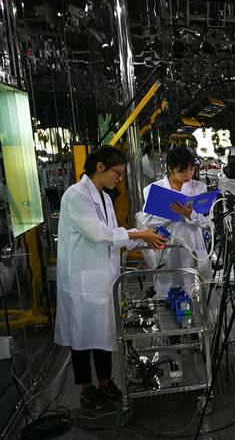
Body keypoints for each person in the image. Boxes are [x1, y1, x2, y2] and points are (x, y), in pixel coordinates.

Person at [54, 146, 166, 410]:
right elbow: (100, 234)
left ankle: (105, 382)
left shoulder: (104, 197)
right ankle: (86, 388)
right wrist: (140, 234)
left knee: (104, 333)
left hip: (103, 279)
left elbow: (114, 234)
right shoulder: (76, 195)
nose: (120, 178)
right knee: (82, 336)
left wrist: (142, 240)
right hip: (81, 280)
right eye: (118, 173)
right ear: (100, 167)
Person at [139, 145, 212, 297]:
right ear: (170, 168)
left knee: (194, 288)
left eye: (191, 169)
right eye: (182, 171)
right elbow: (147, 221)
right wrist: (173, 212)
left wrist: (189, 214)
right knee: (167, 287)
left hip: (192, 242)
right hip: (167, 243)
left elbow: (205, 221)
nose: (188, 175)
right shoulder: (153, 189)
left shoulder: (199, 188)